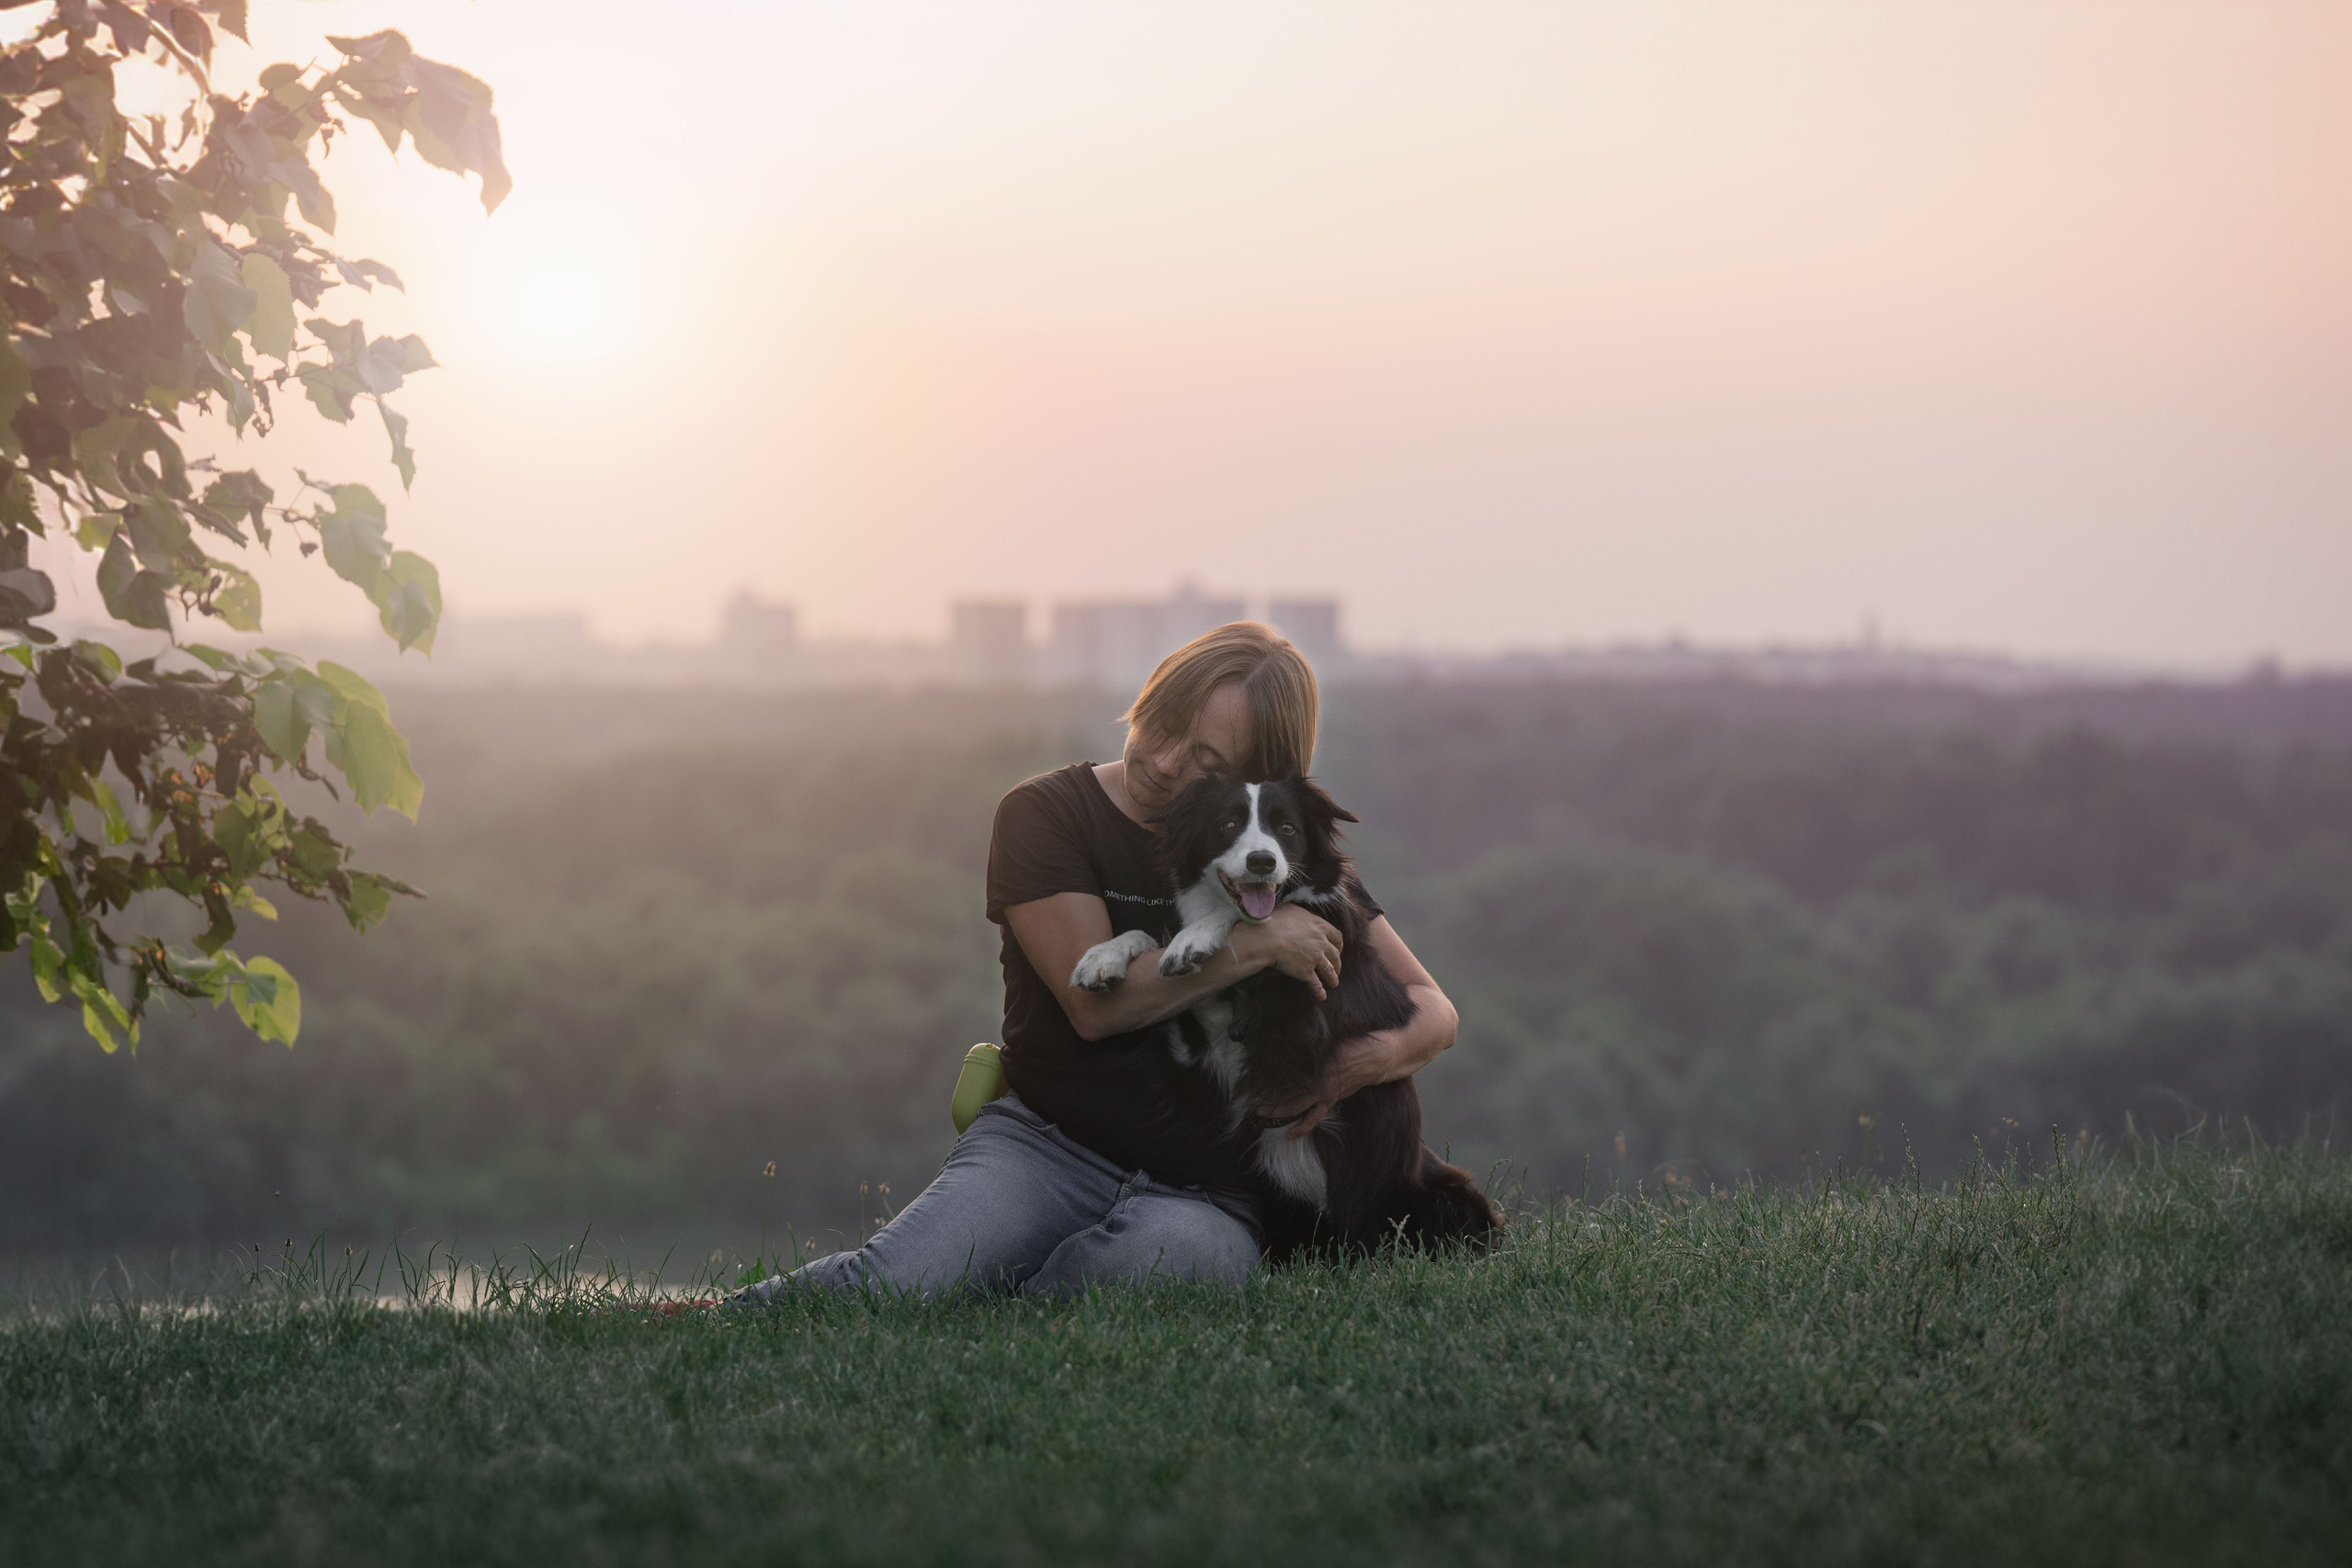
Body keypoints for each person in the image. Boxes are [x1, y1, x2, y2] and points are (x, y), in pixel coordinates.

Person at [732, 622, 1459, 1301]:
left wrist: (1347, 1070)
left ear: (1252, 780)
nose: (1165, 761)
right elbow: (1095, 1005)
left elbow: (1434, 1009)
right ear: (1145, 699)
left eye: (1207, 760)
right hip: (1048, 1148)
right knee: (899, 1281)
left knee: (1186, 1262)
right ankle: (710, 1315)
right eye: (1164, 726)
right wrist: (1259, 942)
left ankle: (998, 1315)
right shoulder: (1047, 813)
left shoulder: (1273, 857)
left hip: (1210, 1189)